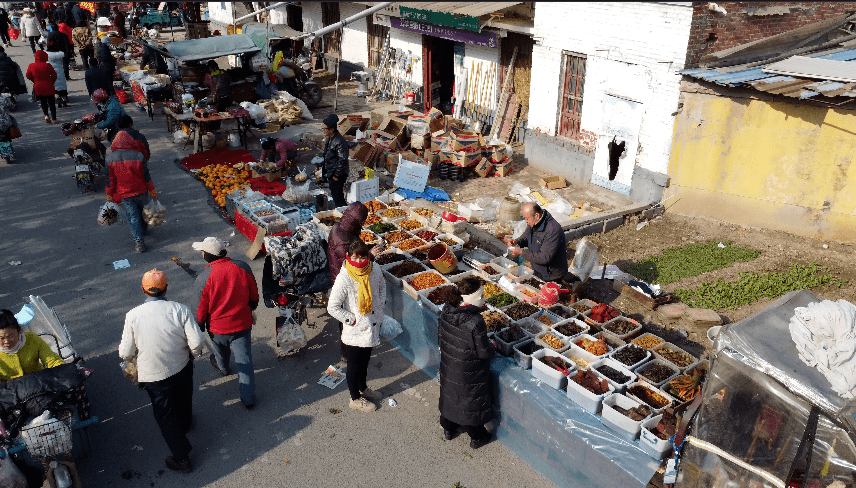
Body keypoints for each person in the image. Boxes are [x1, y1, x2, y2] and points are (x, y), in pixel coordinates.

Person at [118, 269, 204, 473]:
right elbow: (198, 341)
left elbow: (125, 352)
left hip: (153, 376)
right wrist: (195, 352)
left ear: (143, 289)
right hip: (181, 366)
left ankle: (182, 459)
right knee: (183, 398)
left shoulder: (132, 316)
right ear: (166, 288)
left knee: (165, 416)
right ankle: (185, 424)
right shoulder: (180, 309)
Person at [193, 237, 259, 409]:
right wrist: (252, 306)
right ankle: (248, 399)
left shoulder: (203, 278)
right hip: (242, 324)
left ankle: (223, 369)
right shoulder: (242, 267)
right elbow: (254, 295)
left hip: (217, 329)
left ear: (207, 255)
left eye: (203, 251)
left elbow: (200, 311)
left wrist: (199, 327)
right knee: (244, 361)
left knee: (220, 352)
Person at [327, 240, 386, 413]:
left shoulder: (374, 269)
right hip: (355, 329)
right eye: (355, 257)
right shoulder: (344, 277)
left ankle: (363, 388)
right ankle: (354, 398)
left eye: (363, 256)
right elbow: (332, 307)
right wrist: (351, 320)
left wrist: (379, 306)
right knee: (353, 365)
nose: (359, 261)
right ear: (348, 257)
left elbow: (382, 288)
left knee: (365, 361)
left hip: (372, 325)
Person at [437, 277, 494, 449]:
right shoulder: (475, 321)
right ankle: (477, 437)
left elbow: (440, 337)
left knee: (450, 395)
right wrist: (493, 347)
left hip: (449, 364)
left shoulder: (446, 310)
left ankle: (448, 429)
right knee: (470, 402)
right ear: (474, 299)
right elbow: (483, 352)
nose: (484, 299)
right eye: (482, 296)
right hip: (469, 370)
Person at [106, 130, 157, 253]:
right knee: (144, 212)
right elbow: (146, 175)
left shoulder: (110, 158)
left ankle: (139, 242)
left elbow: (111, 179)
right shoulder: (139, 155)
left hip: (125, 194)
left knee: (133, 217)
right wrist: (152, 189)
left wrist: (109, 193)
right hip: (141, 191)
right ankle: (143, 229)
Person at [504, 202, 569, 283]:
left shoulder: (552, 230)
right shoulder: (533, 222)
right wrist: (517, 241)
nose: (525, 221)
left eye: (527, 218)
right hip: (538, 269)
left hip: (551, 274)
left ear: (537, 216)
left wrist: (521, 252)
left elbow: (544, 258)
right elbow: (526, 236)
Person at [0, 309, 64, 381]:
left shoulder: (31, 339)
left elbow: (52, 360)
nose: (6, 341)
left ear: (19, 331)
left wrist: (62, 371)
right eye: (1, 338)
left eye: (10, 336)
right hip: (11, 390)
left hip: (39, 382)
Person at [320, 114, 349, 207]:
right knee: (335, 194)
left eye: (325, 129)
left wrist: (337, 175)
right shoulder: (330, 138)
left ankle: (343, 213)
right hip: (331, 171)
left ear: (331, 129)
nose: (323, 131)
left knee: (338, 197)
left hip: (337, 174)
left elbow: (343, 160)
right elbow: (327, 155)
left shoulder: (340, 142)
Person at [25, 50, 57, 124]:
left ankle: (46, 115)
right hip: (48, 85)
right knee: (51, 102)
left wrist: (34, 80)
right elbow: (54, 75)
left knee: (43, 102)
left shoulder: (31, 65)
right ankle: (54, 119)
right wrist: (51, 81)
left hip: (38, 86)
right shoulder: (48, 65)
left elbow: (28, 75)